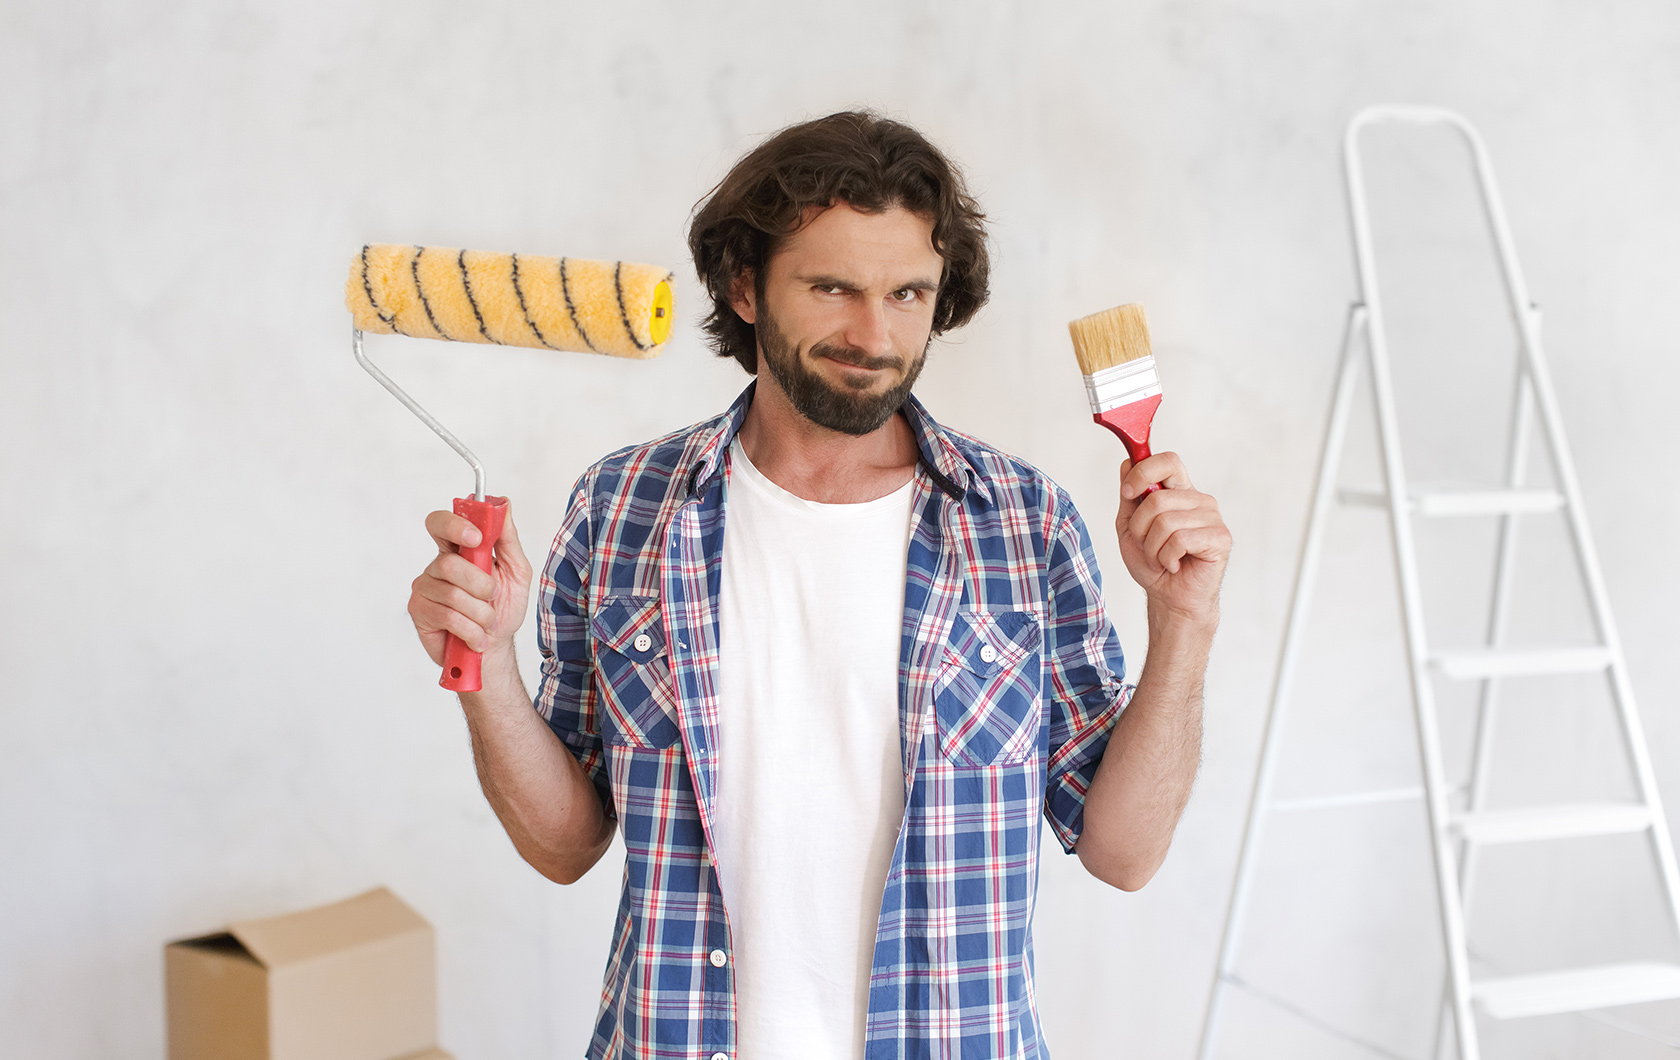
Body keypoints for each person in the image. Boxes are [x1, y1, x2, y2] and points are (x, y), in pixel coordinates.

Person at [407, 111, 1231, 1059]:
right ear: (744, 286)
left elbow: (1123, 854)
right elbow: (564, 846)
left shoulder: (1022, 521)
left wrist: (1184, 621)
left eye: (908, 293)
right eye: (833, 287)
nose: (874, 334)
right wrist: (492, 663)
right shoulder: (624, 504)